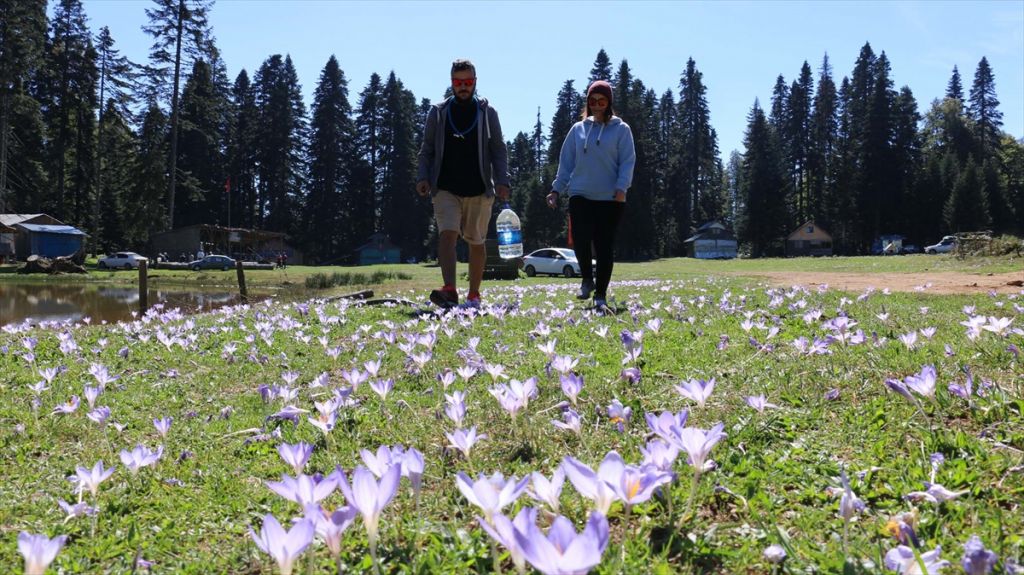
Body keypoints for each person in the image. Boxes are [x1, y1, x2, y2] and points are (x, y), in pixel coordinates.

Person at [417, 58, 510, 309]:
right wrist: (423, 176)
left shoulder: (487, 113)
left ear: (475, 82)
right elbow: (426, 149)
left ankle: (474, 294)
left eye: (468, 82)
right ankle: (449, 289)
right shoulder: (438, 113)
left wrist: (502, 180)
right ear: (451, 83)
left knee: (475, 241)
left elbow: (498, 149)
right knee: (447, 234)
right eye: (459, 82)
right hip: (445, 187)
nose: (463, 87)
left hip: (479, 188)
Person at [547, 80, 635, 310]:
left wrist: (621, 187)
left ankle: (601, 294)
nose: (597, 105)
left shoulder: (621, 129)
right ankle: (587, 279)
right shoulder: (578, 130)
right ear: (588, 102)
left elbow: (627, 161)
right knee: (581, 239)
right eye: (592, 101)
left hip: (610, 197)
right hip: (580, 193)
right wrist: (556, 189)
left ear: (609, 103)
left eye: (602, 101)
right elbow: (566, 163)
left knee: (604, 245)